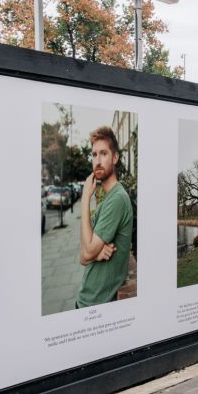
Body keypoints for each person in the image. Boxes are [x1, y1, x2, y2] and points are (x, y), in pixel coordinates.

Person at [77, 126, 133, 308]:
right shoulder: (106, 200)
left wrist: (85, 198)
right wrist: (95, 254)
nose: (97, 161)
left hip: (96, 303)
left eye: (103, 153)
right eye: (94, 155)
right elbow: (83, 257)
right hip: (88, 299)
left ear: (115, 157)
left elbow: (87, 252)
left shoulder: (117, 199)